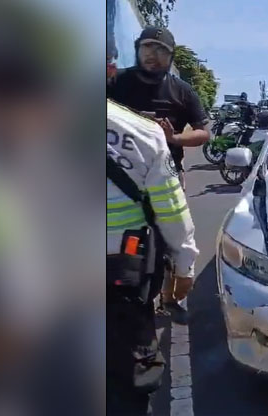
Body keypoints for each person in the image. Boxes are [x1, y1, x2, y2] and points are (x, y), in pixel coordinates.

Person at [107, 99, 199, 414]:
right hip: (121, 274)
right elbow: (171, 211)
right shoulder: (142, 132)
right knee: (128, 382)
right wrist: (184, 267)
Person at [107, 26, 210, 190]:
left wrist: (174, 138)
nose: (152, 54)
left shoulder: (183, 91)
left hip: (166, 178)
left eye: (161, 49)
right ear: (137, 48)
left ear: (171, 57)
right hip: (117, 177)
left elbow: (203, 133)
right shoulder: (113, 81)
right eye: (147, 46)